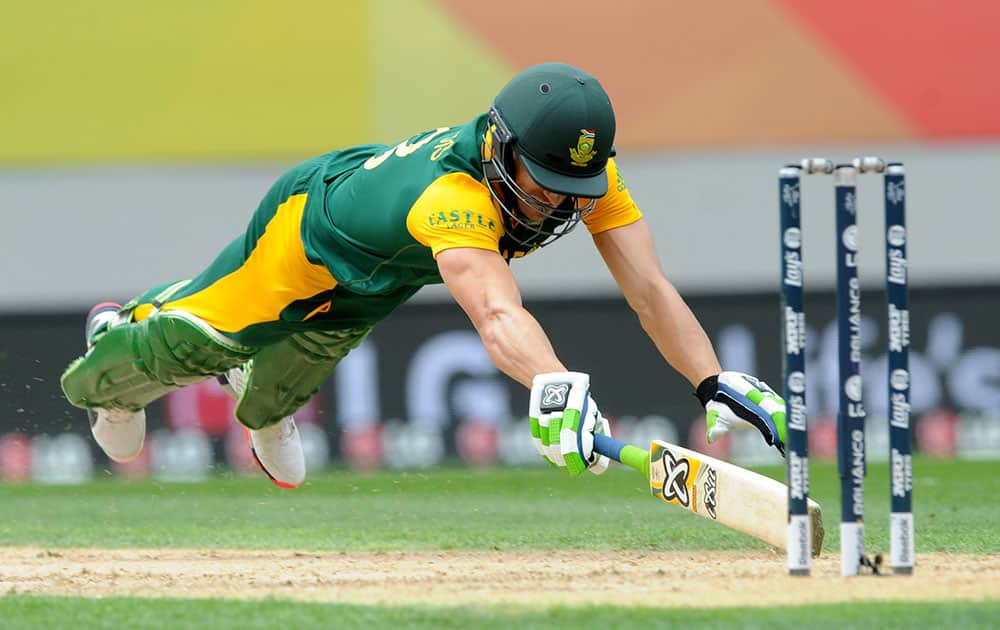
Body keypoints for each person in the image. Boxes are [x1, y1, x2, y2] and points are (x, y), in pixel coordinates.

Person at [61, 62, 787, 487]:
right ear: (501, 147)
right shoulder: (453, 199)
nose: (562, 203)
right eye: (542, 184)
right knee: (200, 347)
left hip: (386, 272)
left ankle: (260, 397)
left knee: (279, 391)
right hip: (308, 233)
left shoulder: (579, 172)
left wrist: (712, 379)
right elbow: (498, 316)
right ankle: (114, 351)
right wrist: (554, 385)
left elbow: (649, 287)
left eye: (576, 188)